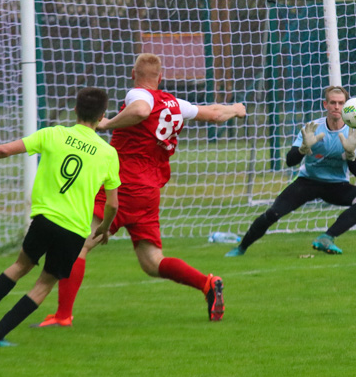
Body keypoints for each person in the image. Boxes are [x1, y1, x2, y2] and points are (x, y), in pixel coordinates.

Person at [34, 53, 246, 328]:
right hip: (149, 191)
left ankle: (62, 316)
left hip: (123, 184)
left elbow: (142, 111)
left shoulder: (137, 95)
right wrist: (237, 109)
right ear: (160, 77)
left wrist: (108, 124)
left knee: (78, 245)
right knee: (152, 262)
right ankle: (207, 283)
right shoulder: (175, 103)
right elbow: (215, 114)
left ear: (134, 75)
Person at [0, 86, 120, 347]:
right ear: (103, 116)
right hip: (75, 230)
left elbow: (4, 151)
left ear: (76, 109)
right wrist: (104, 227)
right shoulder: (108, 154)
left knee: (20, 266)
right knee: (43, 285)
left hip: (44, 220)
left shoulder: (52, 134)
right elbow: (112, 203)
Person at [226, 85, 356, 257]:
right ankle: (241, 248)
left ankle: (327, 237)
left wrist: (351, 153)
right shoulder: (312, 128)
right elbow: (290, 161)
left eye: (341, 103)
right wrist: (303, 149)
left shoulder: (355, 132)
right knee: (273, 213)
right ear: (325, 105)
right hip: (308, 182)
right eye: (332, 102)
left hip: (337, 185)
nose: (336, 107)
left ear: (347, 106)